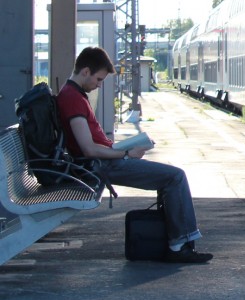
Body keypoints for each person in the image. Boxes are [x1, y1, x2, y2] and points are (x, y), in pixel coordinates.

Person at [56, 47, 213, 264]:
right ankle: (178, 247)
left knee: (171, 177)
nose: (99, 85)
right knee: (174, 177)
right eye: (98, 79)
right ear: (85, 71)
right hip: (101, 165)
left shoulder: (73, 94)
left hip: (105, 160)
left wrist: (124, 150)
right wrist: (126, 153)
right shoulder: (73, 98)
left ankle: (179, 242)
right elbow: (88, 149)